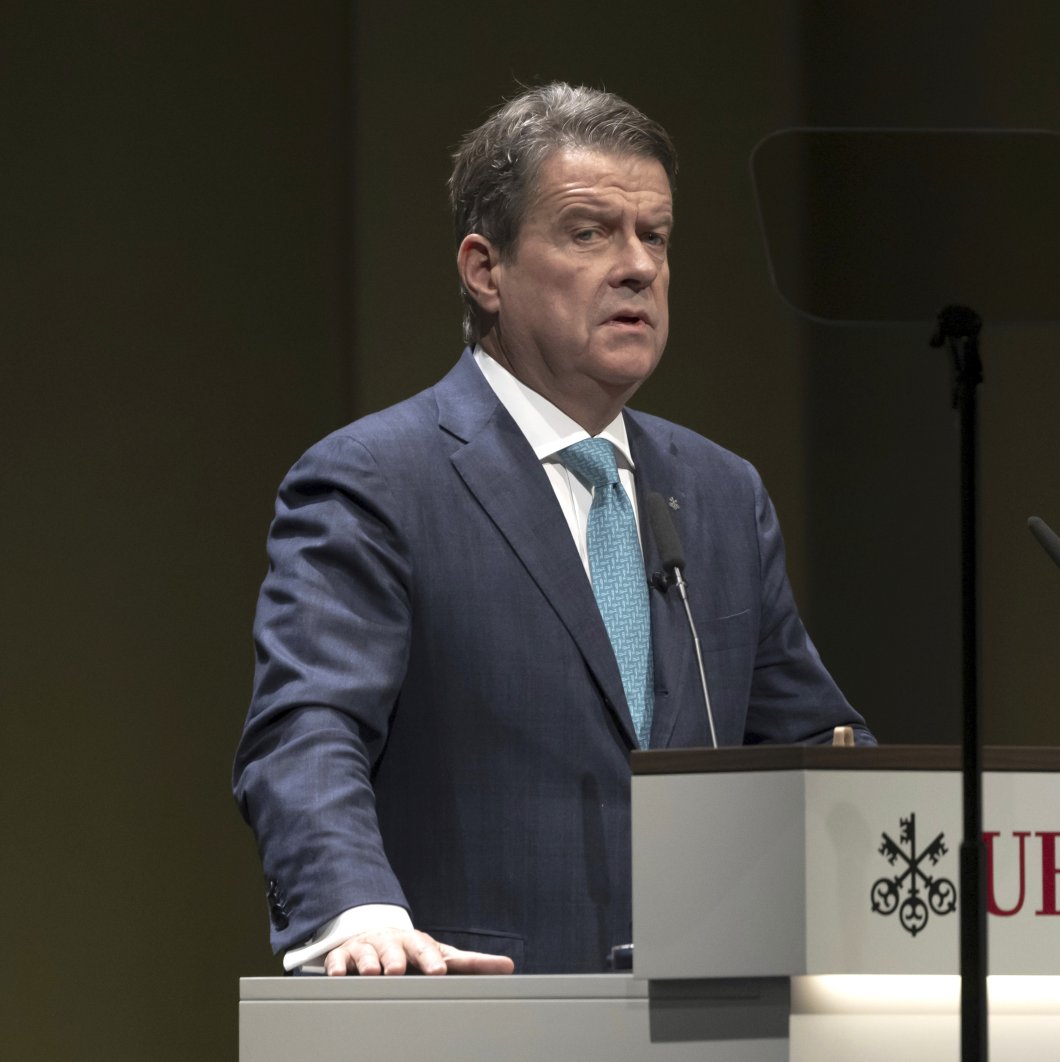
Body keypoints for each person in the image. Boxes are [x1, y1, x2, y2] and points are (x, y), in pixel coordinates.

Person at [233, 82, 872, 977]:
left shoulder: (722, 493)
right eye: (589, 232)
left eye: (655, 236)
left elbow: (814, 752)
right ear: (485, 269)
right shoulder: (377, 479)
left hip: (706, 1018)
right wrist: (356, 913)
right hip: (478, 1009)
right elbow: (307, 726)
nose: (639, 266)